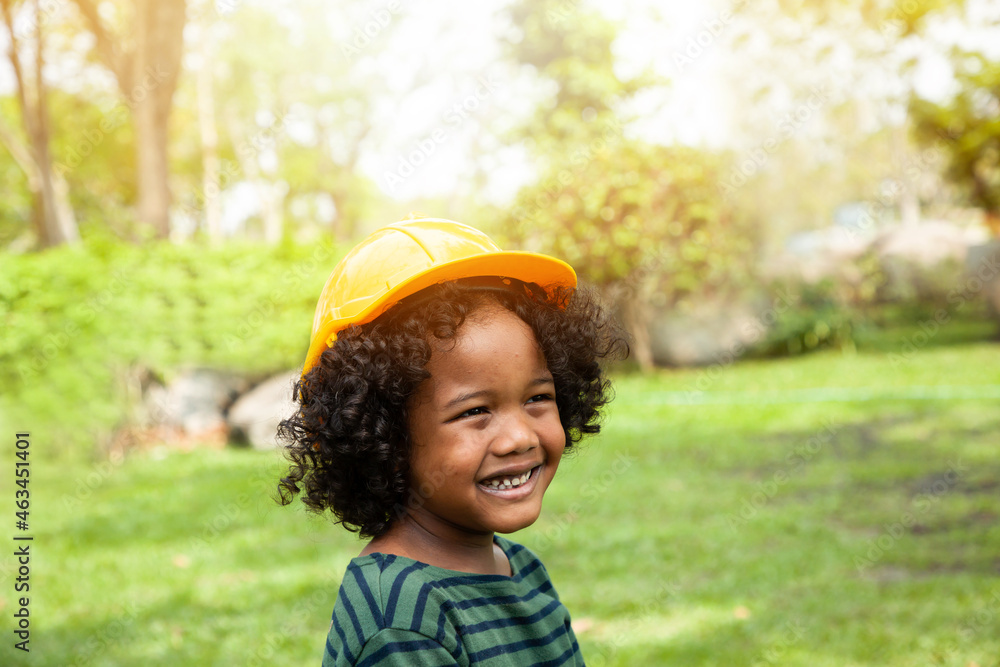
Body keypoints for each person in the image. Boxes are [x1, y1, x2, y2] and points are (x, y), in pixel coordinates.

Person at [277, 216, 629, 666]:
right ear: (384, 437)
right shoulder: (399, 612)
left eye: (538, 398)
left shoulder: (520, 568)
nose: (519, 437)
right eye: (475, 411)